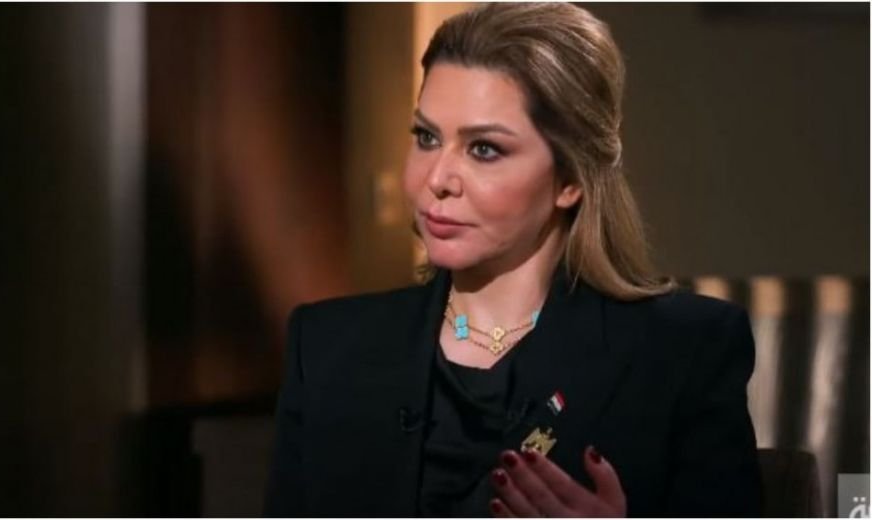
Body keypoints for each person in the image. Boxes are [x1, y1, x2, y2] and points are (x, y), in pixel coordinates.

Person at [263, 2, 762, 517]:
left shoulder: (683, 352)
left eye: (483, 149)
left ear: (570, 179)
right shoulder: (326, 348)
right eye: (427, 138)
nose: (436, 179)